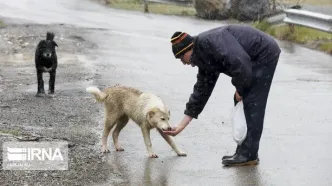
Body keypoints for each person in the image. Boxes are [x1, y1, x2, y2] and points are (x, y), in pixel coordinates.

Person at [163, 24, 281, 166]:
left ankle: (249, 155)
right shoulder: (203, 54)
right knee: (241, 101)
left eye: (181, 58)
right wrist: (181, 125)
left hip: (264, 53)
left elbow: (240, 63)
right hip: (251, 59)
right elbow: (201, 91)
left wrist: (240, 89)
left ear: (187, 49)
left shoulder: (211, 42)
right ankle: (244, 151)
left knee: (252, 102)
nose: (183, 63)